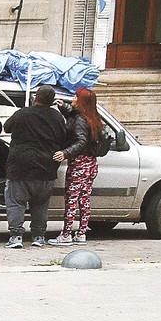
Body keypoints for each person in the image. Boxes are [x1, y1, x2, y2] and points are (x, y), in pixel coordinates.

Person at [1, 84, 68, 250]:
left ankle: (16, 237)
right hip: (46, 168)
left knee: (16, 202)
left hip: (20, 167)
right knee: (40, 204)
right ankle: (38, 236)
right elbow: (64, 137)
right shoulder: (57, 117)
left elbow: (6, 127)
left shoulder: (22, 114)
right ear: (52, 101)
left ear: (35, 98)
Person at [54, 86, 108, 246]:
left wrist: (65, 153)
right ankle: (81, 233)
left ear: (82, 101)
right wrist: (64, 108)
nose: (74, 99)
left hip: (79, 164)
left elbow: (81, 140)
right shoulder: (92, 117)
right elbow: (74, 116)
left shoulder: (80, 120)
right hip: (91, 164)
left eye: (76, 97)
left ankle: (66, 235)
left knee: (71, 199)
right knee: (84, 200)